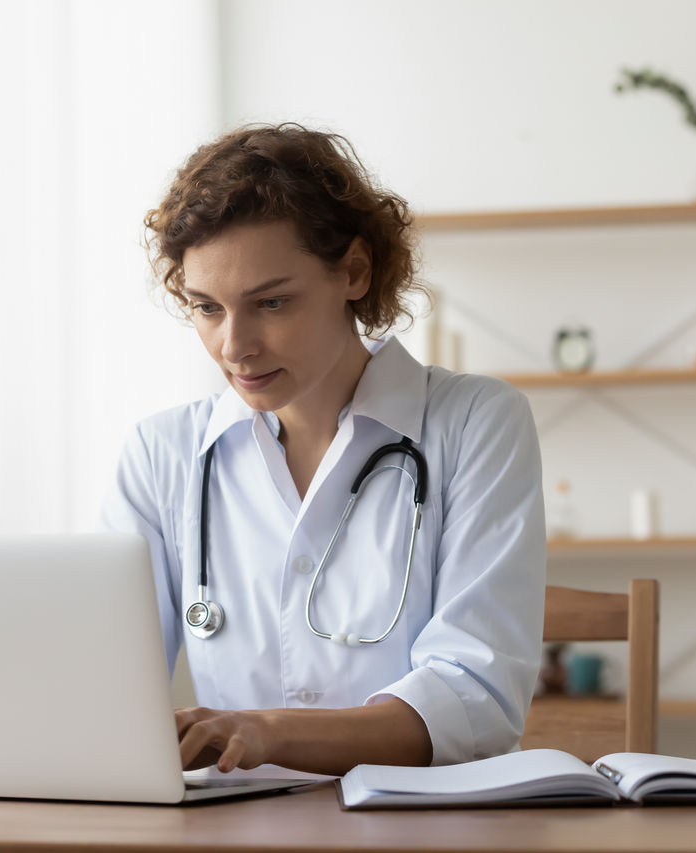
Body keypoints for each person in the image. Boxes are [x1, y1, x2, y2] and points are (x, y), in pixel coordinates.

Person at [101, 123, 545, 777]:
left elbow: (474, 700)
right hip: (231, 832)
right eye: (206, 307)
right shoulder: (162, 454)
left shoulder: (474, 423)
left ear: (354, 272)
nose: (234, 346)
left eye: (271, 302)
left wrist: (270, 733)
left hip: (420, 835)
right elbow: (109, 693)